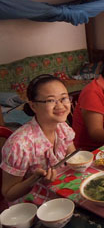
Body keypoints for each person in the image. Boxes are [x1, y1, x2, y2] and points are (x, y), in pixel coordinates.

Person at [1, 74, 76, 202]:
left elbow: (73, 157)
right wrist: (35, 179)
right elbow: (9, 193)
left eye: (64, 98)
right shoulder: (19, 144)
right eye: (51, 100)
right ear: (33, 106)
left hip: (60, 191)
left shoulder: (63, 127)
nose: (60, 105)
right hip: (33, 204)